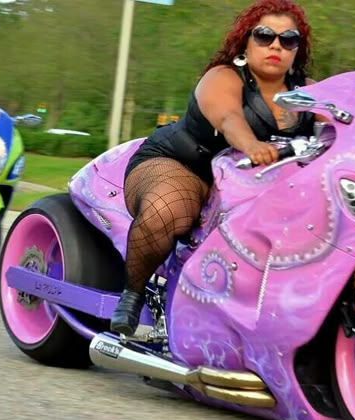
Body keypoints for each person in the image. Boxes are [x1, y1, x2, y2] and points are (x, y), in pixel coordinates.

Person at [111, 0, 319, 336]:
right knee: (168, 210)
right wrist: (252, 146)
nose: (276, 45)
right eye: (265, 36)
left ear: (298, 48)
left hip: (255, 186)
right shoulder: (222, 77)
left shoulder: (309, 92)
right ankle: (132, 294)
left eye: (288, 39)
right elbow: (228, 117)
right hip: (187, 166)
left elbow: (344, 120)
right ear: (245, 41)